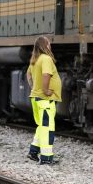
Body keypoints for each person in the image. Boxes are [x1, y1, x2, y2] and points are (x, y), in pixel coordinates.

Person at [26, 36, 62, 165]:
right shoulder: (46, 59)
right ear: (45, 45)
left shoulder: (35, 60)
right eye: (49, 44)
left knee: (42, 126)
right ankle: (46, 158)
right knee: (47, 128)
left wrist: (34, 87)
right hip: (45, 100)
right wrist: (46, 90)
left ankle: (33, 152)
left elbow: (28, 75)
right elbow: (46, 75)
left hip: (37, 98)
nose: (50, 46)